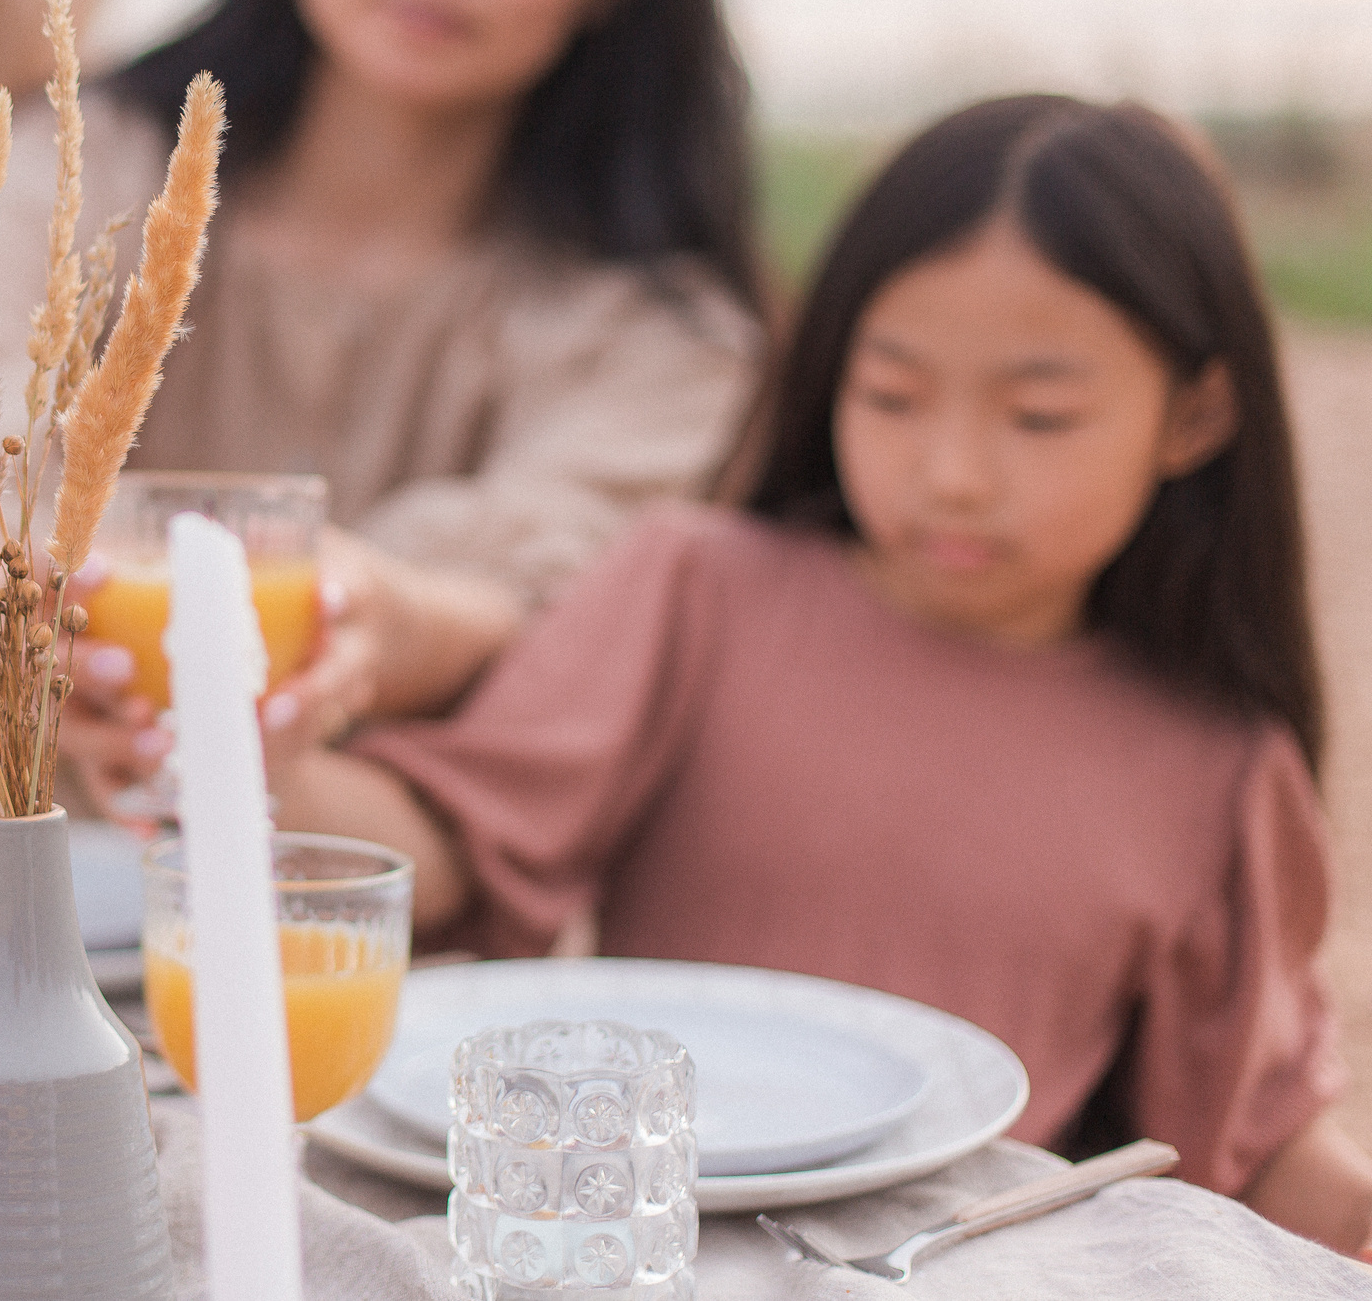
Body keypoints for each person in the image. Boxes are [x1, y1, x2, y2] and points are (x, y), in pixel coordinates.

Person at [273, 95, 1372, 1252]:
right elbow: (447, 846)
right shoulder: (696, 592)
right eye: (891, 395)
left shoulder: (1214, 762)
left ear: (1193, 417)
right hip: (638, 1253)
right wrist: (259, 748)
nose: (950, 474)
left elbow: (1253, 1144)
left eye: (1038, 417)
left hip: (954, 1275)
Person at [15, 0, 763, 807]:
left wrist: (374, 615)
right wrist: (45, 633)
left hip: (378, 928)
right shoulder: (74, 169)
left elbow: (539, 586)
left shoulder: (655, 337)